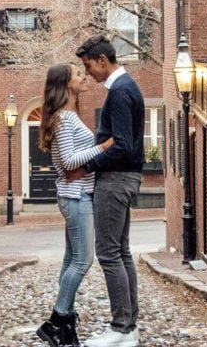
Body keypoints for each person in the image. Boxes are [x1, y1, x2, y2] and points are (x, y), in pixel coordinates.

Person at [69, 36, 145, 347]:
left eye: (88, 67)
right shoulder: (127, 87)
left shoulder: (119, 92)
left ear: (103, 60)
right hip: (124, 179)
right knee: (121, 252)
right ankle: (129, 325)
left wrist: (86, 167)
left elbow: (123, 146)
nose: (87, 74)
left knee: (109, 253)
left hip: (115, 181)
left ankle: (121, 328)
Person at [36, 63, 115, 347]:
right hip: (75, 195)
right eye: (77, 74)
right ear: (66, 84)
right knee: (83, 260)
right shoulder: (64, 119)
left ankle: (65, 326)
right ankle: (57, 321)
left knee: (72, 259)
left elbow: (69, 160)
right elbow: (68, 162)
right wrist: (103, 148)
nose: (83, 77)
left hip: (76, 193)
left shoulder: (66, 116)